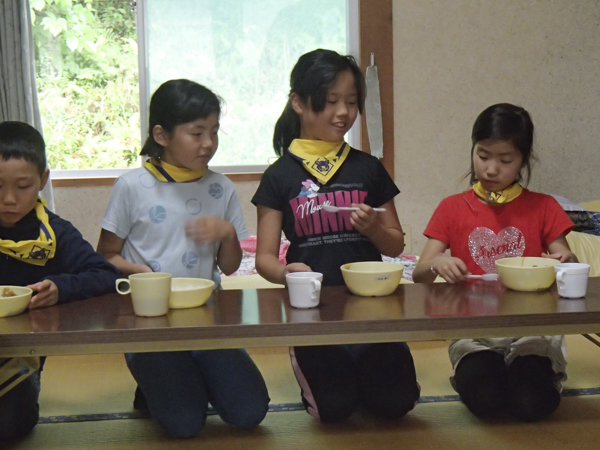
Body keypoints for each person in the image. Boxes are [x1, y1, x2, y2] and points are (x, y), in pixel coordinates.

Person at [252, 49, 420, 423]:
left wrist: (375, 229)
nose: (343, 112)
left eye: (350, 102)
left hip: (372, 310)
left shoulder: (368, 167)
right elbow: (264, 257)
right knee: (335, 409)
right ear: (298, 102)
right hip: (314, 315)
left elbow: (396, 244)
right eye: (330, 102)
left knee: (396, 404)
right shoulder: (279, 175)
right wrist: (285, 274)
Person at [97, 79, 269, 438]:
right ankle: (156, 381)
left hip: (206, 319)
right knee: (184, 424)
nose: (209, 143)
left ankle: (189, 379)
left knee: (250, 412)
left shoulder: (220, 186)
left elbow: (231, 267)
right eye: (197, 133)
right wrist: (142, 274)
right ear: (161, 135)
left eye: (214, 131)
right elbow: (106, 257)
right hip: (150, 325)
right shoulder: (131, 186)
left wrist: (226, 234)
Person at [412, 103, 578, 422]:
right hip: (473, 330)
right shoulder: (452, 207)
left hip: (532, 328)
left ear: (523, 160)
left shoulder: (543, 206)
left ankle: (536, 376)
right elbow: (420, 274)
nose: (490, 169)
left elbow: (566, 260)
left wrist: (564, 260)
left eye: (505, 160)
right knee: (487, 401)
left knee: (530, 403)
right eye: (483, 155)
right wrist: (438, 263)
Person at [0, 121, 120, 440]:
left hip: (18, 360)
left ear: (43, 180)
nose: (8, 199)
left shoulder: (54, 234)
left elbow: (106, 275)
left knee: (7, 428)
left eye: (22, 186)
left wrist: (60, 287)